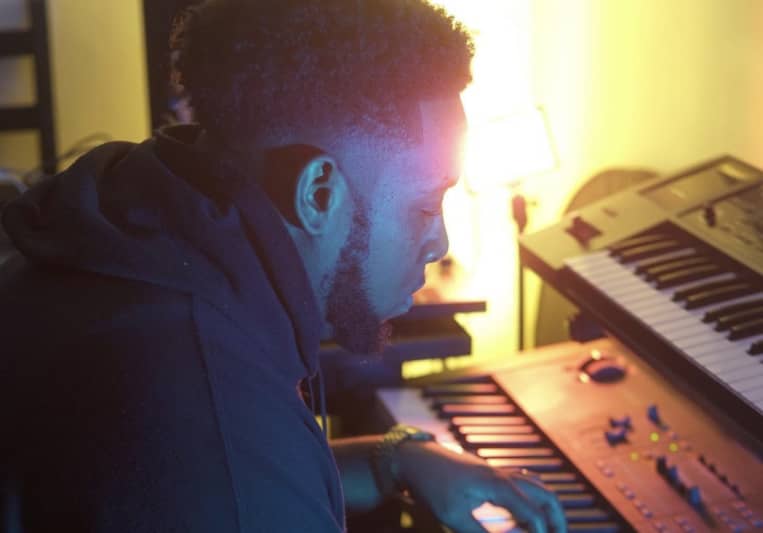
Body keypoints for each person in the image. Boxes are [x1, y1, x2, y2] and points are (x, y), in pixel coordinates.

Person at [0, 0, 566, 532]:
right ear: (318, 194)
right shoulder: (208, 428)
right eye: (423, 205)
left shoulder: (143, 224)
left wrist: (390, 460)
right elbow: (233, 485)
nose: (439, 242)